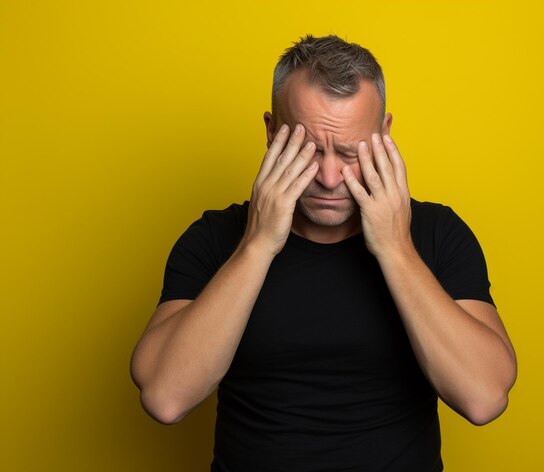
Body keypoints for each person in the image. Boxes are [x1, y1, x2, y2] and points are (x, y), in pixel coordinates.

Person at [130, 34, 517, 471]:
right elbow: (165, 398)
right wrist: (258, 245)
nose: (330, 178)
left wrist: (395, 248)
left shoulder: (437, 234)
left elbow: (484, 399)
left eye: (351, 152)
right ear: (272, 132)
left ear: (384, 135)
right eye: (309, 149)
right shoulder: (216, 238)